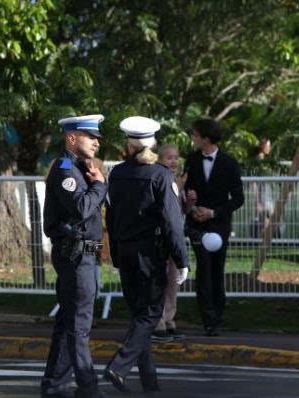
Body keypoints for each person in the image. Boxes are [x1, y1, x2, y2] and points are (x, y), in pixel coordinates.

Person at [104, 116, 189, 393]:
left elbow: (113, 218)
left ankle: (149, 378)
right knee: (150, 314)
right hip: (149, 254)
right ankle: (118, 367)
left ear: (128, 144)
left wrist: (115, 254)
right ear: (152, 143)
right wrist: (182, 259)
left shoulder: (116, 173)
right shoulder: (160, 175)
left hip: (126, 251)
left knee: (138, 315)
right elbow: (172, 223)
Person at [41, 114, 108, 398]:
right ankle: (88, 385)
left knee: (70, 321)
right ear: (71, 138)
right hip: (76, 256)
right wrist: (100, 186)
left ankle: (55, 381)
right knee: (79, 325)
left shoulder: (80, 168)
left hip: (84, 256)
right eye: (90, 136)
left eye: (97, 138)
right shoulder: (66, 168)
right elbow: (81, 207)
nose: (96, 142)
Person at [184, 118, 244, 336]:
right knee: (203, 267)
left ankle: (217, 313)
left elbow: (238, 198)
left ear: (206, 138)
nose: (193, 138)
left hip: (219, 224)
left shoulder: (229, 163)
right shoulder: (191, 160)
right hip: (197, 223)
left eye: (196, 135)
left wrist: (213, 212)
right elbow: (186, 191)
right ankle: (207, 318)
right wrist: (193, 208)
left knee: (217, 268)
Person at [151, 143, 187, 342]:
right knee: (161, 281)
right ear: (159, 159)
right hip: (161, 239)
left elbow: (179, 211)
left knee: (174, 281)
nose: (173, 161)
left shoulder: (175, 180)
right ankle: (159, 321)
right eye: (169, 158)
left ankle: (169, 318)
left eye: (176, 157)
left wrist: (189, 201)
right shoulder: (159, 179)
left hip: (176, 237)